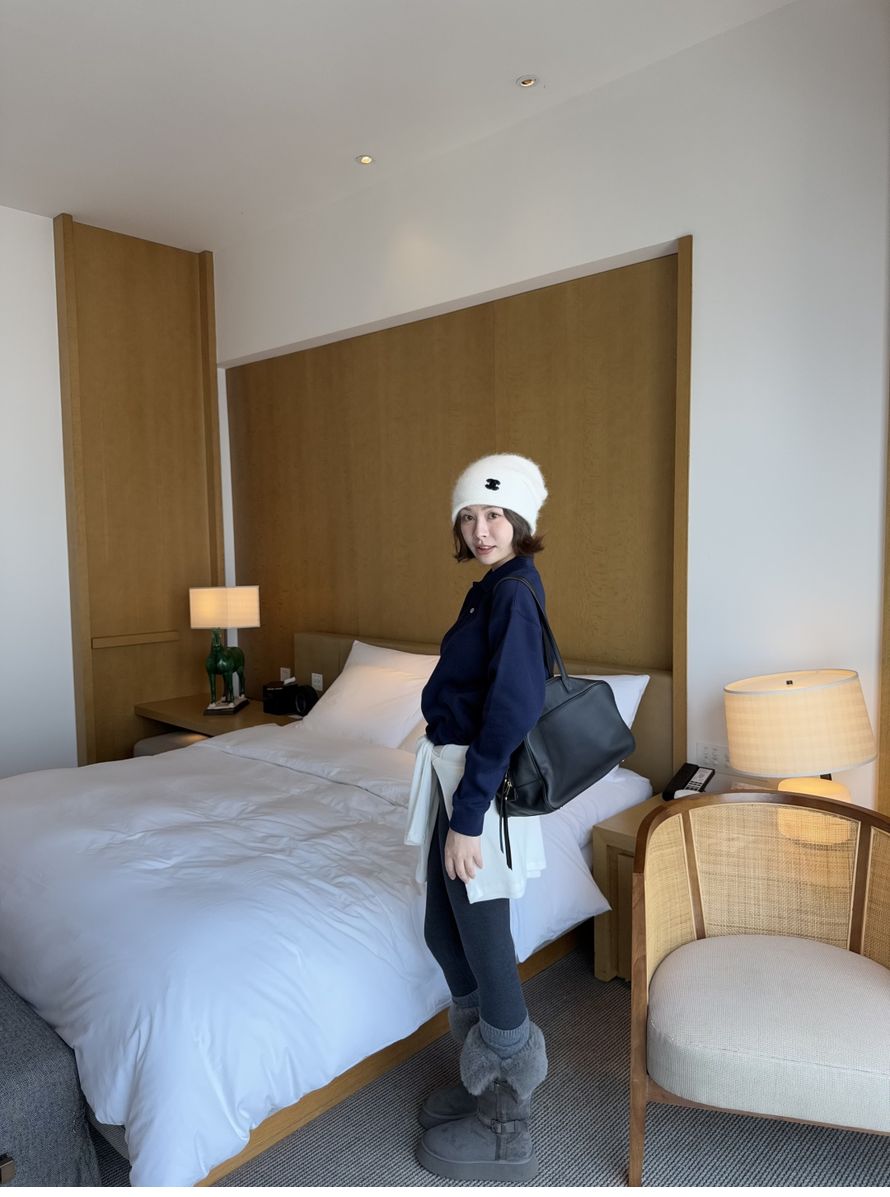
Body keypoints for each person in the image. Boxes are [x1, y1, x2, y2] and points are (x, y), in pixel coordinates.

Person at [404, 453, 551, 1183]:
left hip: (480, 792)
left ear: (519, 520)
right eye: (470, 517)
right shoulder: (489, 589)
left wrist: (467, 816)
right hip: (456, 780)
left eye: (495, 514)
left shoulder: (514, 592)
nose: (481, 529)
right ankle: (481, 1072)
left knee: (486, 942)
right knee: (443, 928)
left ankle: (506, 1119)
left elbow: (512, 710)